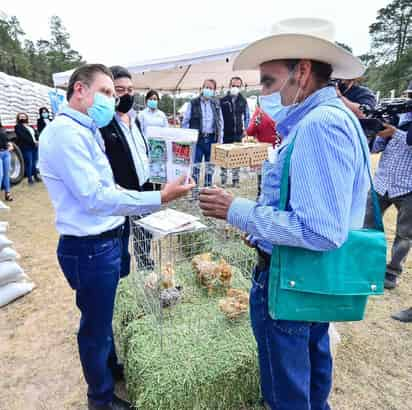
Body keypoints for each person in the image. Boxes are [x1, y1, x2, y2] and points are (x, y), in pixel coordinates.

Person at [199, 18, 369, 410]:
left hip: (291, 281)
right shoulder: (332, 119)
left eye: (269, 82)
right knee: (309, 381)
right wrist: (260, 228)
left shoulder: (319, 126)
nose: (264, 93)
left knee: (287, 395)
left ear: (303, 72)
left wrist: (237, 210)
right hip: (308, 280)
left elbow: (320, 231)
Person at [39, 64, 194, 410]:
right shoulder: (67, 134)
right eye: (107, 92)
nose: (113, 99)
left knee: (103, 317)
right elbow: (96, 198)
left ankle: (109, 368)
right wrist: (160, 197)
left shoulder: (85, 129)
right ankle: (101, 399)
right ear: (80, 90)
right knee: (93, 329)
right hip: (90, 247)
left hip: (104, 241)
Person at [100, 66, 154, 273]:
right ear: (110, 92)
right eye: (120, 90)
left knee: (145, 231)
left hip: (144, 186)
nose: (127, 95)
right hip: (122, 191)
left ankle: (145, 264)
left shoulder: (135, 119)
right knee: (122, 236)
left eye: (130, 90)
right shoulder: (104, 124)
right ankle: (123, 274)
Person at [363, 120, 412, 294]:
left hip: (408, 187)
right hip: (381, 183)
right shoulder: (398, 115)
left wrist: (395, 132)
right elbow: (375, 148)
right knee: (367, 226)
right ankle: (366, 263)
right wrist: (376, 134)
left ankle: (392, 272)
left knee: (404, 234)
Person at [182, 79, 223, 188]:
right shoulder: (193, 103)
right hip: (197, 140)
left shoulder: (216, 104)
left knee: (210, 167)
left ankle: (207, 189)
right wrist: (187, 138)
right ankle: (194, 190)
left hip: (211, 139)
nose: (208, 90)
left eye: (211, 88)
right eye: (206, 87)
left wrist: (220, 139)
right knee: (196, 166)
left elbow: (220, 122)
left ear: (214, 91)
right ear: (202, 88)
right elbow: (185, 122)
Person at [219, 76, 250, 187]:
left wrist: (246, 129)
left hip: (238, 134)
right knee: (224, 158)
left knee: (237, 158)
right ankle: (223, 180)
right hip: (225, 134)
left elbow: (247, 116)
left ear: (240, 87)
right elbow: (219, 117)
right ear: (229, 86)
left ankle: (235, 180)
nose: (235, 87)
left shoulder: (243, 100)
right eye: (233, 85)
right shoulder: (222, 101)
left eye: (237, 86)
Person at [14, 112, 41, 185]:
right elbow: (23, 137)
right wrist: (33, 142)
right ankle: (30, 179)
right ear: (18, 118)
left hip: (34, 147)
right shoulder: (17, 127)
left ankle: (35, 176)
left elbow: (35, 134)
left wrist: (37, 140)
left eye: (24, 116)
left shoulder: (30, 126)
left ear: (26, 117)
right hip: (26, 147)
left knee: (34, 162)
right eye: (20, 116)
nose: (22, 117)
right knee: (29, 163)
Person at [0, 120, 13, 201]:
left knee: (6, 174)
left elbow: (7, 140)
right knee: (0, 175)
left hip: (6, 153)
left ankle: (7, 193)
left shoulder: (2, 129)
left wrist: (10, 145)